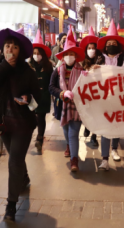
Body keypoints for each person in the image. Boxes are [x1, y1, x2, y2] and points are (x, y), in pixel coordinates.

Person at [0, 28, 42, 222]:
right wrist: (4, 67)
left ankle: (11, 205)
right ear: (2, 48)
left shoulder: (28, 71)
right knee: (16, 160)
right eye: (8, 46)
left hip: (23, 124)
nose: (11, 49)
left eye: (15, 47)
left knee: (14, 160)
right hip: (2, 123)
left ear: (20, 51)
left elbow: (40, 99)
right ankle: (23, 179)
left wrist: (28, 98)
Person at [94, 19, 124, 170]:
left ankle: (114, 149)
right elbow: (92, 77)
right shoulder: (100, 59)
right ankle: (104, 159)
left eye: (114, 44)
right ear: (105, 45)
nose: (111, 46)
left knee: (116, 126)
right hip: (104, 99)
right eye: (109, 43)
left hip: (119, 99)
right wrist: (94, 70)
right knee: (104, 128)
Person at [49, 27, 85, 171]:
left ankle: (74, 161)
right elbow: (51, 87)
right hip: (61, 106)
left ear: (76, 56)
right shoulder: (57, 71)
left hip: (77, 107)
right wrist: (62, 93)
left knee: (73, 132)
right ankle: (69, 145)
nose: (70, 56)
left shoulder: (82, 71)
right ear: (63, 56)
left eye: (72, 54)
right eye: (67, 54)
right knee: (65, 130)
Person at [29, 30, 53, 153]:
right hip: (31, 96)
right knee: (31, 118)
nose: (36, 55)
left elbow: (51, 83)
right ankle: (30, 138)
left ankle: (39, 139)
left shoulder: (49, 66)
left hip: (43, 96)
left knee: (41, 117)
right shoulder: (28, 66)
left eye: (38, 53)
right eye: (34, 53)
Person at [79, 26, 101, 147]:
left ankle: (94, 136)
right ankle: (87, 126)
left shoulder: (101, 60)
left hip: (98, 93)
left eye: (93, 48)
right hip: (86, 93)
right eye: (89, 48)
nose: (91, 50)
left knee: (97, 115)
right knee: (88, 114)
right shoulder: (82, 61)